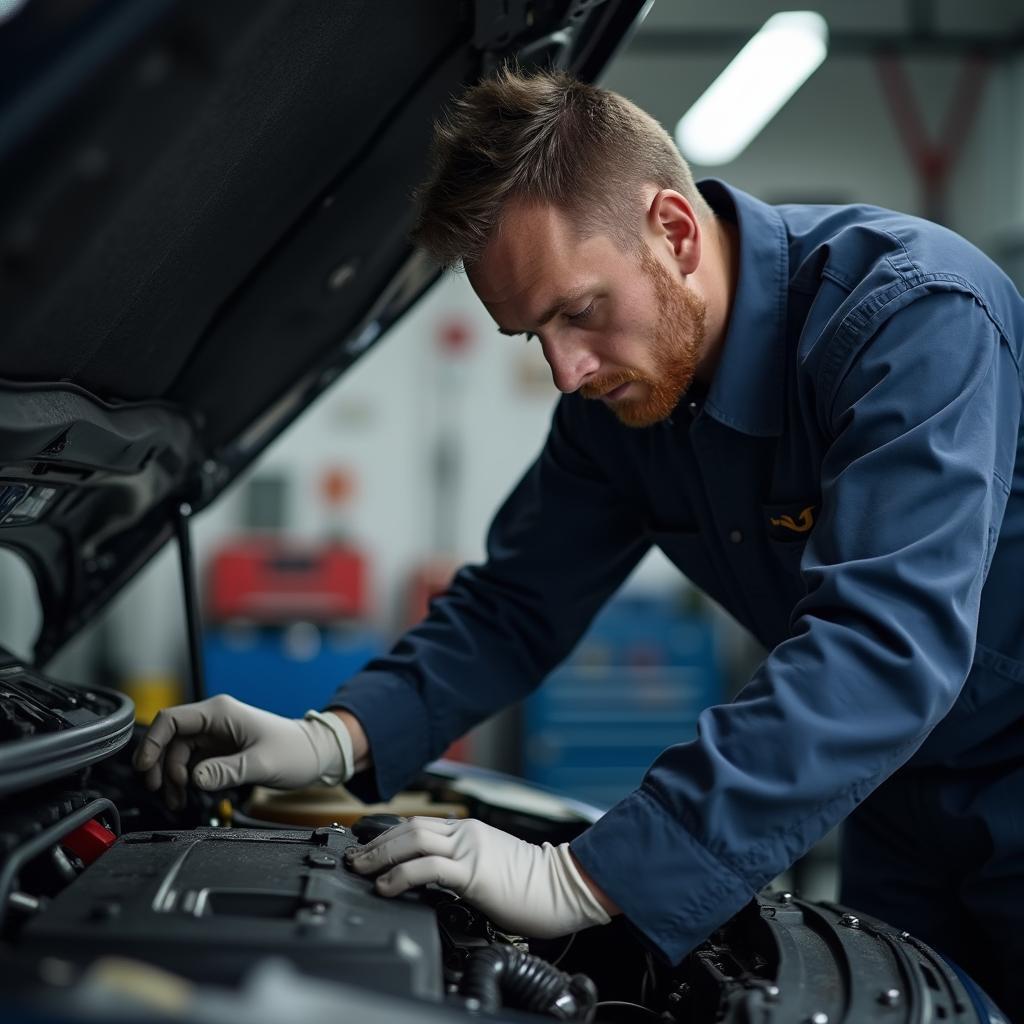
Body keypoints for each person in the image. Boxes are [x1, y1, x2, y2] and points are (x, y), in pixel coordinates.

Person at [134, 67, 1024, 1015]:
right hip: (894, 807)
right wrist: (331, 739)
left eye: (579, 311)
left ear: (674, 232)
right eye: (532, 337)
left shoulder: (909, 319)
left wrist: (585, 880)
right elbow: (514, 605)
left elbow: (883, 650)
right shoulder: (620, 400)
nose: (565, 372)